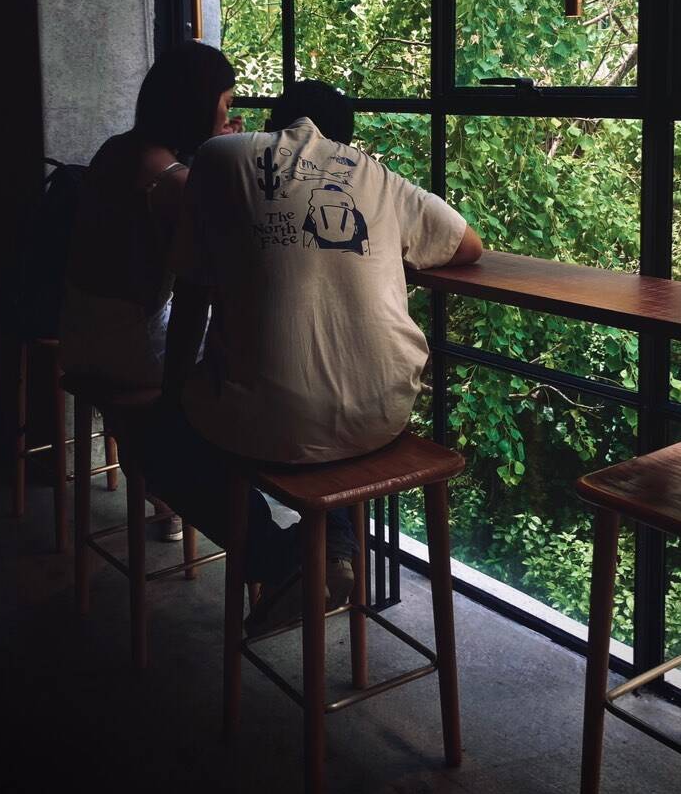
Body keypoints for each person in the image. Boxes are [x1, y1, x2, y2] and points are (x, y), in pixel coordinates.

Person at [135, 79, 481, 620]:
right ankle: (333, 545)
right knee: (313, 415)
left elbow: (191, 298)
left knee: (157, 445)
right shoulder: (379, 177)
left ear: (273, 126)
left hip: (270, 422)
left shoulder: (220, 157)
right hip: (384, 415)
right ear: (345, 141)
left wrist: (172, 397)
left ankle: (280, 559)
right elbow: (469, 245)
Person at [59, 40, 238, 538]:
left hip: (77, 332)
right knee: (238, 352)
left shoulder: (113, 150)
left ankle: (156, 473)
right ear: (199, 106)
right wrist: (223, 155)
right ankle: (182, 480)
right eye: (226, 104)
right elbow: (206, 279)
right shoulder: (173, 181)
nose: (230, 116)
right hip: (128, 350)